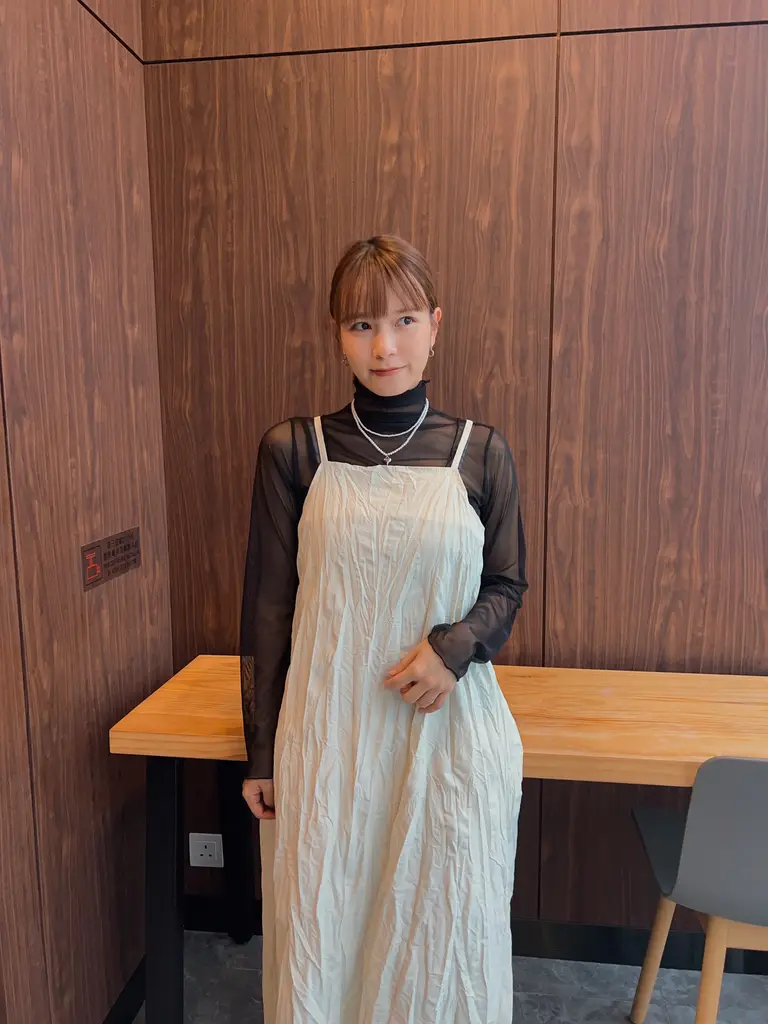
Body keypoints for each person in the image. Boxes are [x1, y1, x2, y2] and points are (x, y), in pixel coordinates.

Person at [240, 235, 527, 1024]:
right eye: (362, 325)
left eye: (403, 321)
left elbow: (507, 585)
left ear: (436, 324)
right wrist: (261, 752)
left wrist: (453, 650)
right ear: (337, 333)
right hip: (328, 735)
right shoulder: (295, 450)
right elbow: (269, 607)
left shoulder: (481, 453)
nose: (385, 347)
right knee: (324, 927)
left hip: (445, 735)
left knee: (440, 933)